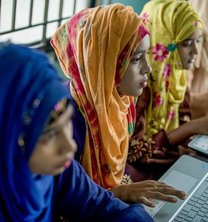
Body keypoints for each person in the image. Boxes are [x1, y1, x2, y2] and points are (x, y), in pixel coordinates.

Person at [0, 41, 153, 221]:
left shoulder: (57, 171)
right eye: (51, 134)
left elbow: (99, 204)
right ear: (3, 136)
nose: (70, 146)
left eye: (67, 121)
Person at [51, 4, 185, 208]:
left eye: (147, 55)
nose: (148, 68)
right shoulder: (67, 119)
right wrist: (117, 193)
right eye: (137, 59)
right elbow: (59, 200)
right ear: (104, 63)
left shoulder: (121, 101)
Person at [126, 0, 208, 182]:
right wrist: (190, 128)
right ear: (164, 42)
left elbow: (183, 116)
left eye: (198, 41)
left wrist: (180, 147)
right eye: (186, 44)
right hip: (140, 178)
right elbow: (134, 152)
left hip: (166, 165)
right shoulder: (141, 85)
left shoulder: (176, 76)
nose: (195, 51)